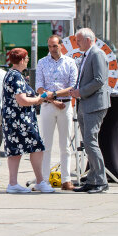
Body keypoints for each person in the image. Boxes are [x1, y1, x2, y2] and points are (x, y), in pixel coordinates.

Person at [1, 48, 53, 194]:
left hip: (12, 120)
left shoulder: (9, 75)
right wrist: (39, 99)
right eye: (27, 58)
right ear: (22, 60)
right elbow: (22, 100)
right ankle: (40, 181)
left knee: (15, 150)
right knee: (37, 147)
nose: (28, 61)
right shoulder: (16, 77)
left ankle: (13, 183)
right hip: (21, 120)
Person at [70, 28, 111, 194]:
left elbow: (99, 80)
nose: (77, 43)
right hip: (85, 104)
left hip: (94, 104)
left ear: (88, 39)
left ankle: (101, 180)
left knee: (90, 142)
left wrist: (81, 91)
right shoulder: (88, 54)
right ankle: (93, 179)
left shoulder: (97, 54)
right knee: (88, 143)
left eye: (79, 40)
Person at [35, 35, 78, 191]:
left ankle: (66, 179)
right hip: (48, 105)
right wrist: (53, 99)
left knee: (65, 144)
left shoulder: (70, 62)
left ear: (61, 46)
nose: (52, 49)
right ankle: (44, 179)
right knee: (46, 143)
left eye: (55, 46)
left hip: (65, 105)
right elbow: (39, 86)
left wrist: (56, 94)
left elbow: (73, 86)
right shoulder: (42, 62)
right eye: (50, 46)